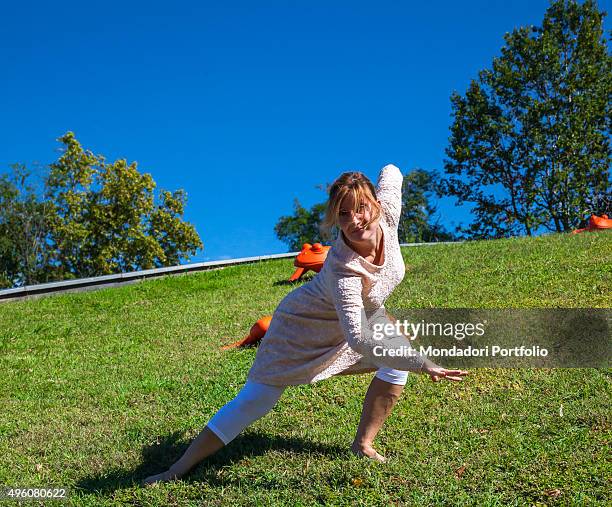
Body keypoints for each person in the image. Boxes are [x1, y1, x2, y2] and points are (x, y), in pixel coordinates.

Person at [143, 164, 467, 486]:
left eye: (361, 208)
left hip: (358, 320)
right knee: (255, 401)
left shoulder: (389, 215)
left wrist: (391, 168)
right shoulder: (344, 267)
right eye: (343, 214)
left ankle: (363, 445)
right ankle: (177, 469)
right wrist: (421, 361)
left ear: (377, 205)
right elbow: (357, 337)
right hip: (299, 329)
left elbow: (392, 174)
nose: (354, 221)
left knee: (396, 365)